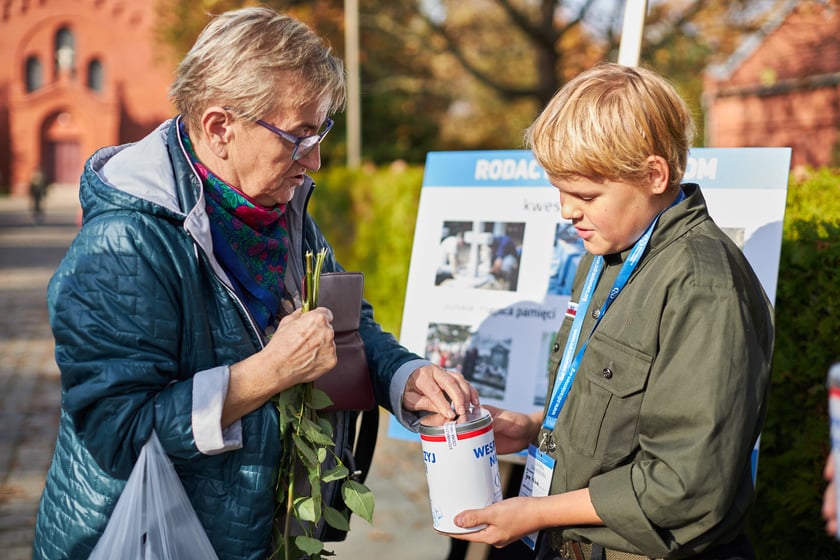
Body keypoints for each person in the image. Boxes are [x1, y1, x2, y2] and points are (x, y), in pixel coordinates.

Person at [32, 8, 478, 560]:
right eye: (298, 136)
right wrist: (268, 372)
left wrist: (404, 377)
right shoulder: (123, 244)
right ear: (221, 128)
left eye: (321, 132)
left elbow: (344, 324)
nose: (313, 160)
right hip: (153, 538)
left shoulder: (279, 206)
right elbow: (118, 436)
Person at [449, 63, 774, 559]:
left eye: (584, 195)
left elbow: (683, 483)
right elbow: (618, 414)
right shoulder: (606, 254)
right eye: (559, 191)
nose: (565, 211)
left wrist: (535, 512)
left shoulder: (703, 286)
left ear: (653, 174)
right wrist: (536, 426)